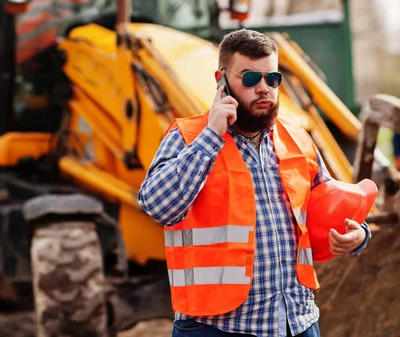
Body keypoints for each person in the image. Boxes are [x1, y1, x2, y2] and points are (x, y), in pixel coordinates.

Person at [138, 29, 371, 337]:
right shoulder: (188, 137)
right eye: (250, 79)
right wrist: (211, 136)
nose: (263, 88)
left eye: (272, 79)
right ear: (221, 79)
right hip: (216, 327)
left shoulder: (298, 139)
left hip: (297, 322)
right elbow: (156, 205)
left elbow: (325, 207)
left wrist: (358, 236)